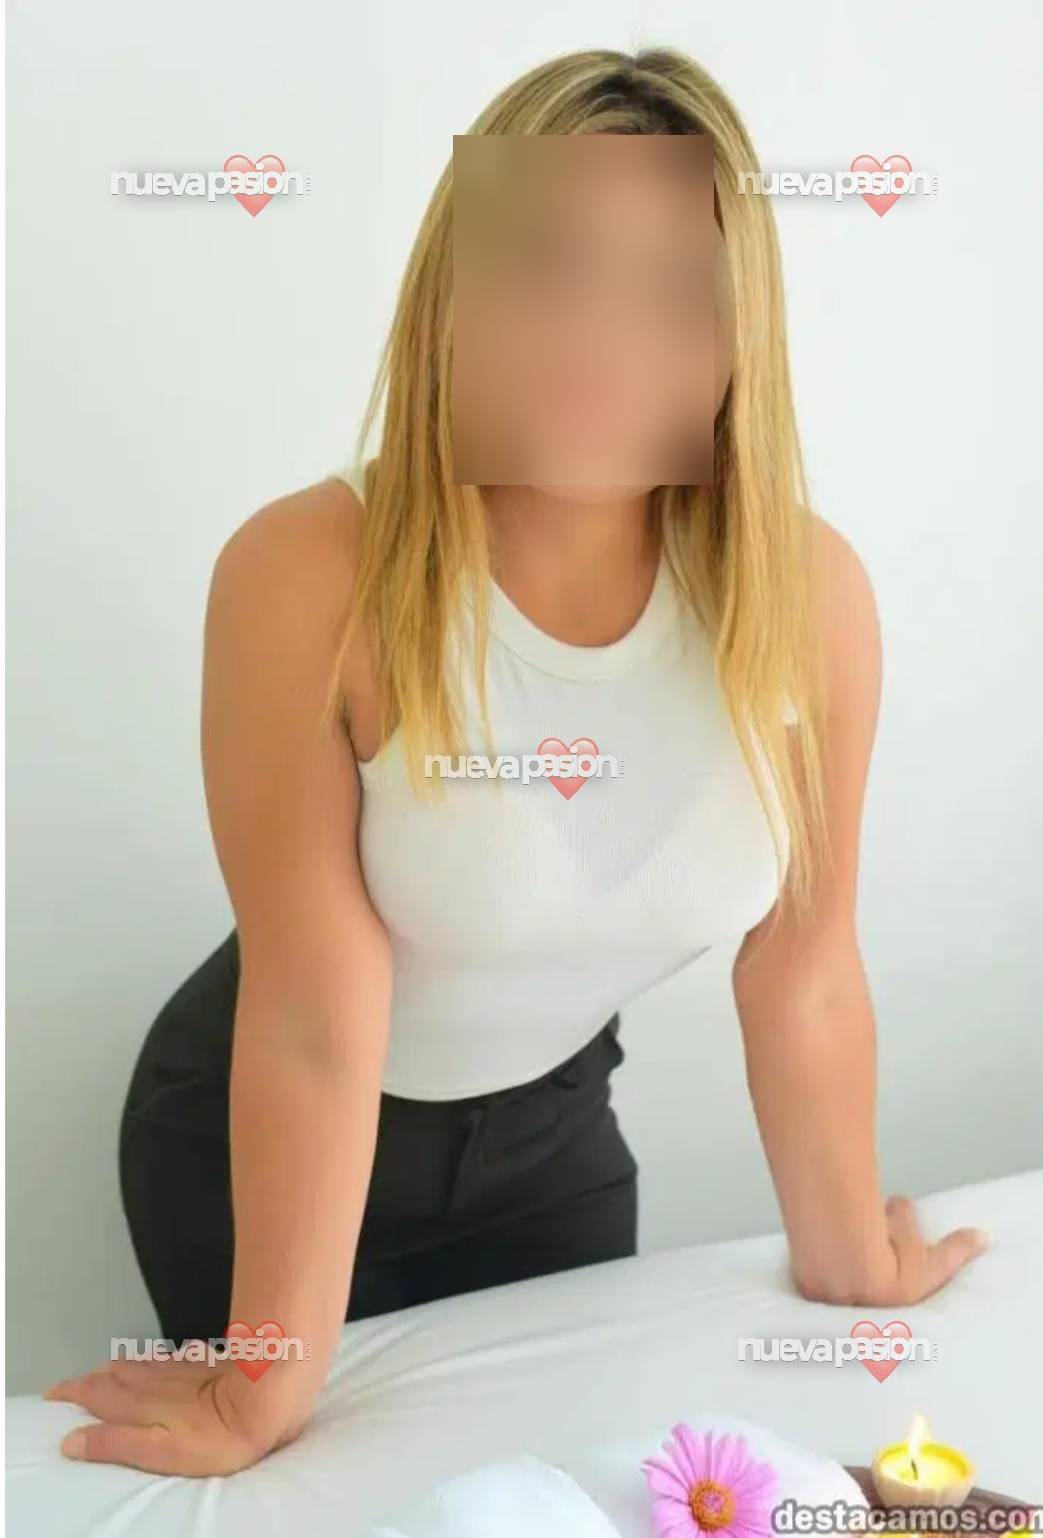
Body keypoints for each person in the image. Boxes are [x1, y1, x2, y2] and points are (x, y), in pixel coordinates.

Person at [43, 44, 987, 1477]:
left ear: (739, 342)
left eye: (674, 288)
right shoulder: (307, 572)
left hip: (554, 1134)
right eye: (550, 266)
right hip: (268, 1132)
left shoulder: (812, 597)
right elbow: (309, 1011)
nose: (604, 337)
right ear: (455, 290)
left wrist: (852, 1255)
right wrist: (254, 1389)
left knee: (575, 1483)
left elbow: (803, 960)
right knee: (324, 1493)